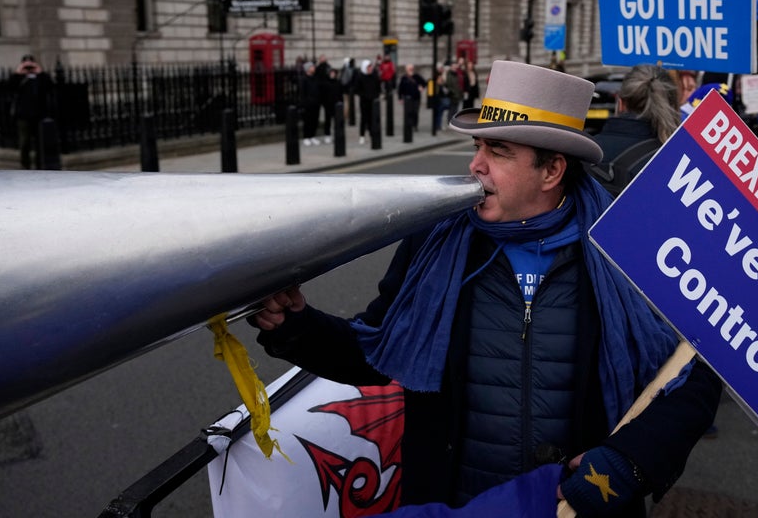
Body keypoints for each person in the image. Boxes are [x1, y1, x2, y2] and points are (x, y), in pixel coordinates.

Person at [251, 61, 722, 516]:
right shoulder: (436, 241)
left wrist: (631, 461)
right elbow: (378, 348)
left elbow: (694, 374)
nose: (476, 165)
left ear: (552, 171)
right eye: (477, 147)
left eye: (498, 152)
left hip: (575, 505)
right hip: (458, 506)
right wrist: (295, 325)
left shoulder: (629, 245)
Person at [9, 54, 54, 169]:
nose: (29, 69)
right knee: (25, 143)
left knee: (40, 143)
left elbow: (50, 86)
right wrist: (19, 72)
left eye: (31, 65)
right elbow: (10, 87)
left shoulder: (40, 78)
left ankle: (40, 165)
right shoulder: (19, 78)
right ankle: (25, 165)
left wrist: (40, 72)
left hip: (39, 116)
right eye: (26, 65)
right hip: (23, 116)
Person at [354, 59, 381, 145]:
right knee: (364, 119)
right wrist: (364, 95)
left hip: (373, 101)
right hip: (364, 101)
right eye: (368, 67)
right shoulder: (360, 77)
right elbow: (356, 89)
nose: (370, 68)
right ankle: (362, 136)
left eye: (370, 66)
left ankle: (372, 134)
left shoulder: (374, 76)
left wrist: (376, 95)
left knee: (372, 119)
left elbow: (378, 87)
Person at [396, 63, 426, 135]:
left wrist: (422, 87)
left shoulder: (417, 76)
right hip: (407, 98)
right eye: (409, 68)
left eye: (411, 68)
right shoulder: (404, 78)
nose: (410, 70)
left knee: (415, 112)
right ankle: (408, 125)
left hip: (416, 98)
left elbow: (424, 83)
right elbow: (400, 89)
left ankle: (415, 125)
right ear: (406, 70)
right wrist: (400, 98)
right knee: (408, 112)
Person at [298, 62, 322, 146]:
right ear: (308, 69)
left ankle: (312, 136)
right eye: (312, 67)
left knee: (314, 120)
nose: (314, 68)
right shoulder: (304, 79)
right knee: (307, 121)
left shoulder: (315, 78)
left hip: (316, 103)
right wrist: (304, 103)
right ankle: (306, 137)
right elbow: (302, 93)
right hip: (308, 104)